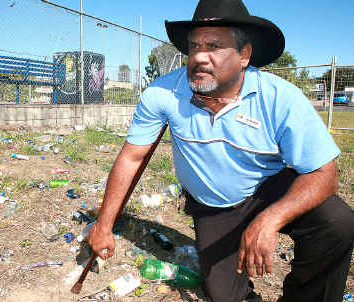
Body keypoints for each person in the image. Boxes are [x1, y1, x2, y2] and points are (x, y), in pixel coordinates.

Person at [87, 0, 354, 301]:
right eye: (194, 45)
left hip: (267, 189)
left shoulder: (280, 98)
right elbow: (132, 158)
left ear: (244, 55)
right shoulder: (163, 94)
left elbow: (325, 173)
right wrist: (104, 225)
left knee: (336, 222)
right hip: (214, 205)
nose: (199, 56)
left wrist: (270, 218)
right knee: (224, 296)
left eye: (214, 45)